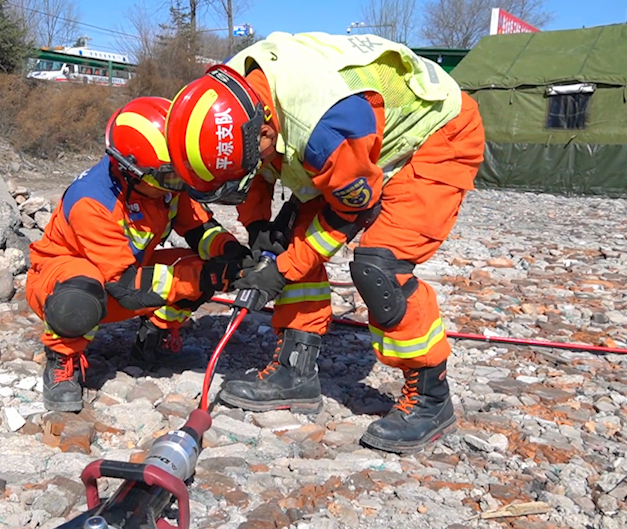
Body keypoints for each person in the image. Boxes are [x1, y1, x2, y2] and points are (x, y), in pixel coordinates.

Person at [162, 31, 485, 453]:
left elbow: (350, 211)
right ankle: (296, 372)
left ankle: (431, 400)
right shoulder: (234, 92)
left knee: (380, 266)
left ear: (261, 133)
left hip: (441, 134)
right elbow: (258, 171)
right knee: (285, 243)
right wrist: (260, 229)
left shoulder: (323, 129)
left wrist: (281, 270)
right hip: (351, 135)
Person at [25, 96, 250, 412]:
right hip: (61, 277)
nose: (180, 184)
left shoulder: (162, 181)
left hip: (124, 271)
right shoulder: (92, 202)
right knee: (82, 290)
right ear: (130, 171)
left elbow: (200, 229)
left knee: (202, 268)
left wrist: (231, 254)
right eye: (172, 177)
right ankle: (62, 359)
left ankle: (152, 342)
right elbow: (124, 285)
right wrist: (204, 276)